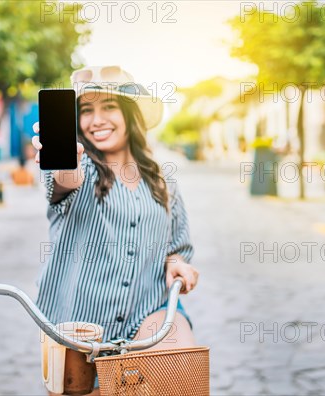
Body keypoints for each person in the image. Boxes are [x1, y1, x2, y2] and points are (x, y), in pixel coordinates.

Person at [31, 66, 199, 394]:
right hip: (78, 324)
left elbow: (177, 246)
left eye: (108, 107)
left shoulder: (162, 180)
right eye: (86, 110)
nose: (96, 120)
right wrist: (67, 161)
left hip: (147, 313)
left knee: (182, 377)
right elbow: (65, 181)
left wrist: (176, 262)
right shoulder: (81, 169)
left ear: (129, 114)